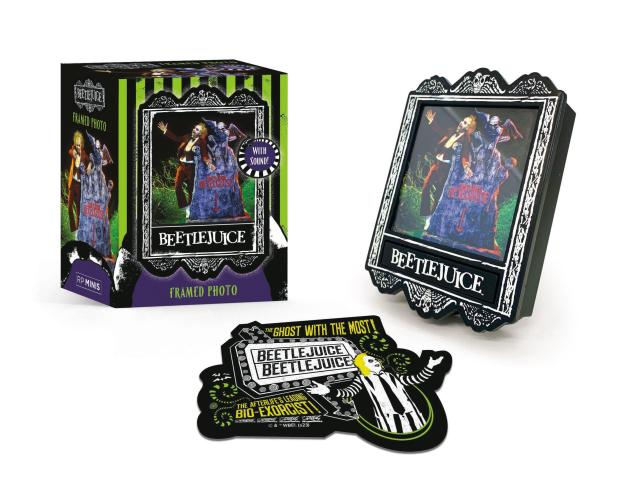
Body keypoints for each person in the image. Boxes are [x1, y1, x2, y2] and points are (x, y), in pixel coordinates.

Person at [424, 109, 522, 258]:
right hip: (441, 164)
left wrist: (466, 166)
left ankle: (432, 217)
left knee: (440, 193)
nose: (461, 123)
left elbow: (465, 154)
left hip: (453, 168)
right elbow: (442, 133)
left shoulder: (469, 139)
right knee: (430, 187)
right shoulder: (456, 132)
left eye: (465, 123)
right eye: (462, 121)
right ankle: (429, 216)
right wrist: (432, 122)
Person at [307, 352, 444, 434]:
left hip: (411, 413)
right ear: (363, 365)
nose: (376, 361)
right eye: (370, 361)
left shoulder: (391, 375)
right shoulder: (362, 379)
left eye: (375, 359)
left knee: (418, 432)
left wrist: (429, 366)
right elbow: (348, 392)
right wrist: (329, 391)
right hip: (389, 417)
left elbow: (415, 379)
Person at [187, 118, 248, 221]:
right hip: (215, 158)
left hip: (224, 158)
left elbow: (223, 140)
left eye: (222, 128)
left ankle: (232, 208)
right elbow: (207, 152)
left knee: (229, 181)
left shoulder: (225, 134)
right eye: (219, 129)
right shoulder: (205, 140)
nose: (220, 130)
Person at [157, 120, 211, 217]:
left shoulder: (201, 142)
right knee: (177, 186)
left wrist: (208, 163)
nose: (194, 130)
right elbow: (177, 138)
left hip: (191, 167)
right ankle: (185, 207)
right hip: (182, 166)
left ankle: (191, 208)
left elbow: (204, 155)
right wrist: (166, 131)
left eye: (197, 129)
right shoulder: (187, 137)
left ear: (200, 133)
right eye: (194, 128)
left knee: (191, 189)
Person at [76, 132, 113, 258]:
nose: (97, 144)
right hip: (92, 179)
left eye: (97, 143)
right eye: (95, 143)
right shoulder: (93, 156)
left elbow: (103, 162)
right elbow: (90, 166)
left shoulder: (100, 153)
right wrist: (88, 169)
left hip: (99, 178)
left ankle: (102, 250)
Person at [67, 131, 89, 233]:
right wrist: (75, 153)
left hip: (80, 185)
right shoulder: (73, 150)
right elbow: (70, 151)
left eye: (79, 145)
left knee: (79, 209)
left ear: (82, 144)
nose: (78, 147)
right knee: (69, 207)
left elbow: (90, 161)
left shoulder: (84, 155)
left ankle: (77, 231)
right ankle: (73, 229)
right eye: (76, 145)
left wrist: (89, 165)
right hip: (72, 183)